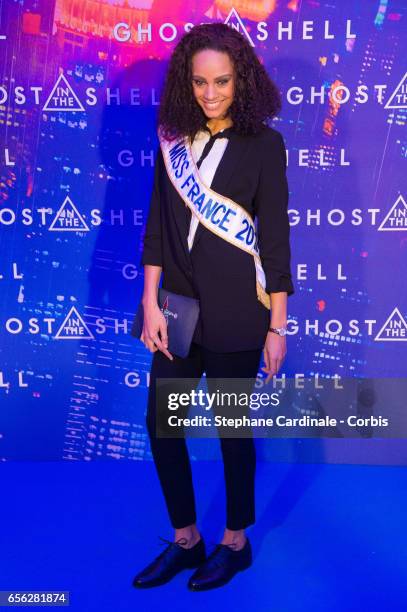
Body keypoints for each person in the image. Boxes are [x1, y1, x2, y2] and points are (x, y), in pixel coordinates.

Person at [132, 22, 294, 591]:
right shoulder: (172, 135)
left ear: (241, 79)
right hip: (174, 310)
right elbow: (156, 225)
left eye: (222, 81)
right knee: (163, 425)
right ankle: (185, 540)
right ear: (186, 81)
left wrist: (278, 324)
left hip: (238, 316)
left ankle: (234, 542)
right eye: (199, 82)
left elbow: (274, 240)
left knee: (231, 428)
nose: (209, 93)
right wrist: (149, 302)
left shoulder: (265, 145)